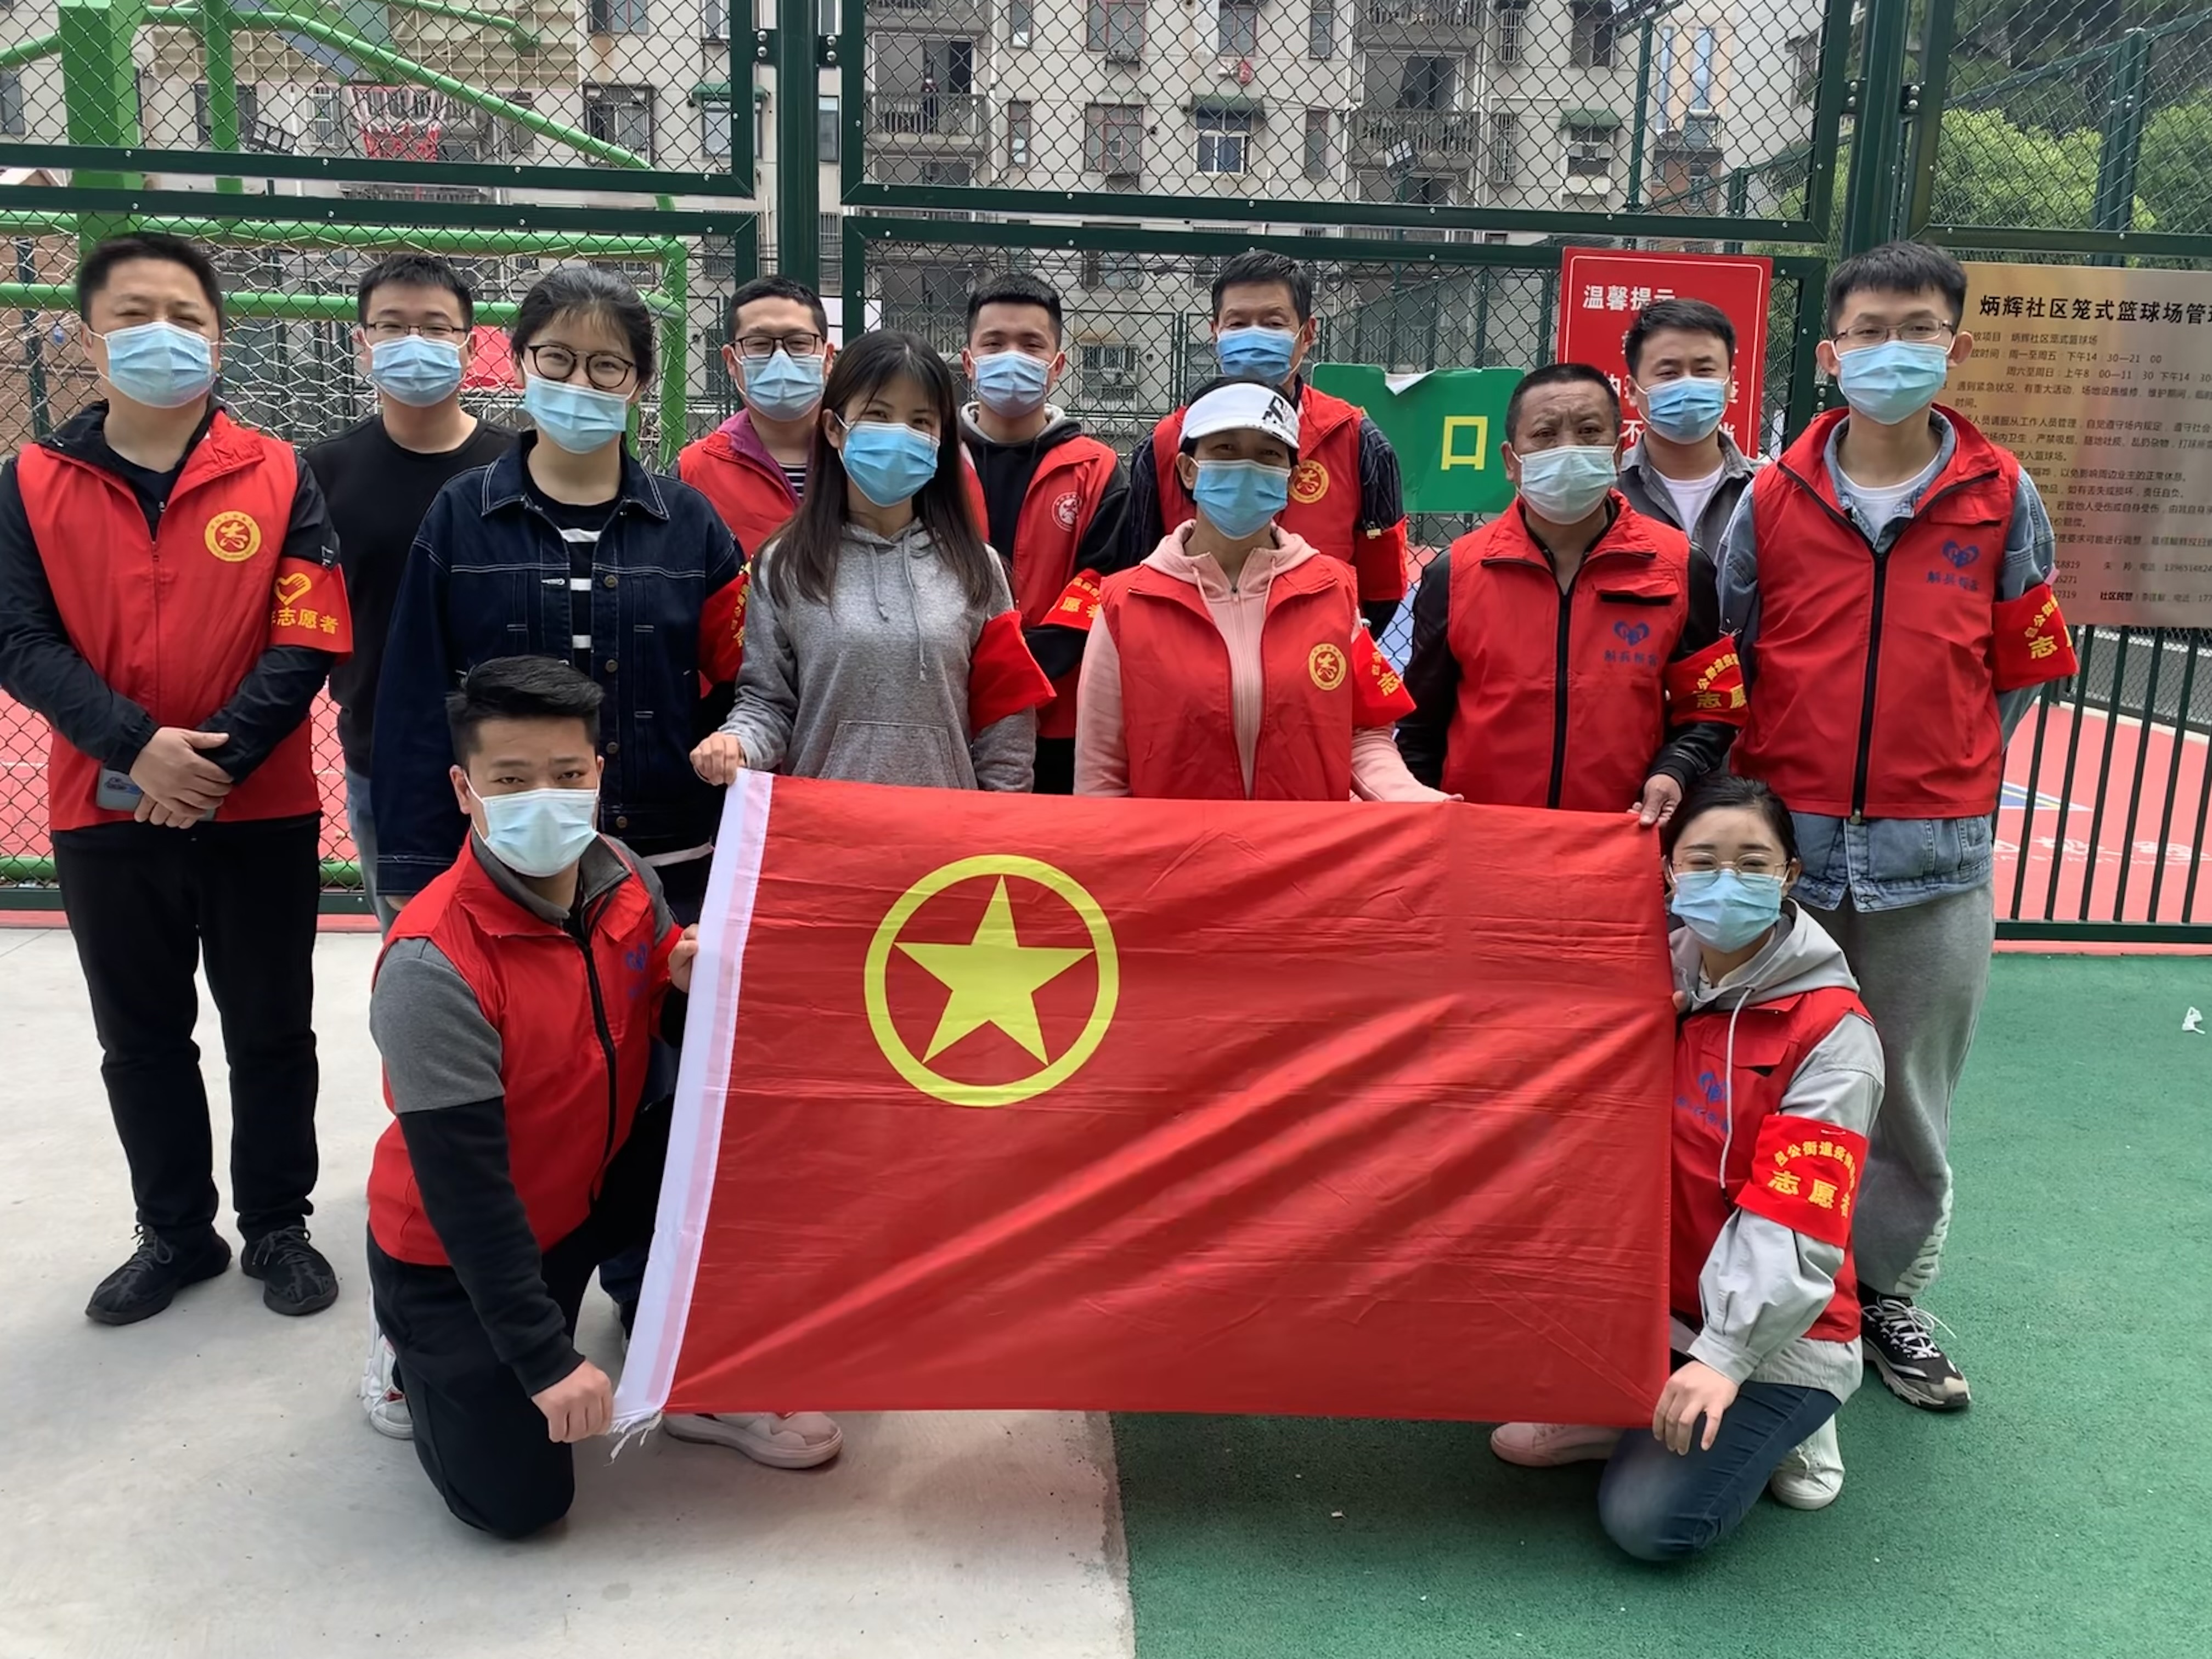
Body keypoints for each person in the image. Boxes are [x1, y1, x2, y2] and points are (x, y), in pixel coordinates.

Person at [1717, 240, 2078, 1410]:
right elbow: (1733, 654)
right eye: (1867, 332)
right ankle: (1745, 1290)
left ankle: (1883, 1296)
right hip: (1790, 850)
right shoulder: (1771, 498)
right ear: (1829, 354)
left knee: (1910, 1093)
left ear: (1954, 346)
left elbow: (2021, 662)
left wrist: (1947, 761)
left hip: (1935, 854)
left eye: (1915, 329)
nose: (1890, 351)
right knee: (1764, 1072)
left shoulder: (2001, 494)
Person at [0, 231, 349, 1325]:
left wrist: (215, 763)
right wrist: (136, 746)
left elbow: (308, 632)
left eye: (187, 316)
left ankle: (278, 1223)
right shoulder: (30, 482)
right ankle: (175, 1231)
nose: (164, 334)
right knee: (142, 1037)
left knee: (272, 1029)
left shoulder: (281, 473)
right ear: (88, 338)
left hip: (262, 806)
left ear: (219, 337)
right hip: (101, 808)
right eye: (134, 314)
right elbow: (19, 638)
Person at [365, 658, 760, 1539]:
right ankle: (406, 1347)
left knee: (753, 1133)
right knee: (520, 1508)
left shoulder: (622, 875)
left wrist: (685, 990)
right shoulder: (432, 965)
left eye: (568, 774)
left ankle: (690, 1351)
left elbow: (659, 1025)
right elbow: (466, 1194)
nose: (545, 799)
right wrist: (546, 1360)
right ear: (465, 790)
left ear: (598, 773)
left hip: (586, 1193)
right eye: (511, 780)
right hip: (460, 1250)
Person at [1491, 774, 1883, 1559]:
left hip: (1776, 1326)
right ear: (1670, 872)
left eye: (1753, 863)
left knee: (1647, 1523)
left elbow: (1796, 1217)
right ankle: (1630, 1413)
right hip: (1646, 1301)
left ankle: (1791, 1415)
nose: (1725, 881)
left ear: (1790, 876)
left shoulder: (1833, 1034)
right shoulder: (1646, 976)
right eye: (1702, 861)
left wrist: (1729, 1356)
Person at [374, 264, 747, 925]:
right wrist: (413, 868)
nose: (579, 383)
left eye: (606, 366)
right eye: (557, 358)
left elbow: (743, 684)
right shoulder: (462, 515)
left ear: (639, 382)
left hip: (670, 859)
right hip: (510, 858)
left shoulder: (691, 524)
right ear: (521, 361)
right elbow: (414, 697)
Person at [692, 329, 1051, 793]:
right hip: (826, 824)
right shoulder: (785, 565)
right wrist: (737, 743)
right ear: (834, 428)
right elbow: (767, 703)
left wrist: (1002, 816)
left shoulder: (978, 569)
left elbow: (1006, 722)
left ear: (941, 439)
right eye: (878, 415)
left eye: (921, 421)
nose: (900, 433)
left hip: (945, 827)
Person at [1395, 363, 1742, 823]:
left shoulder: (1680, 566)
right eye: (1544, 434)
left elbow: (1710, 708)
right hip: (1483, 839)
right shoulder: (1455, 573)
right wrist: (1424, 821)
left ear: (1617, 453)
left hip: (1621, 834)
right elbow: (1420, 729)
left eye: (1589, 431)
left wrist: (1675, 770)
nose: (1568, 448)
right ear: (1510, 461)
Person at [1075, 377, 1440, 803]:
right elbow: (1101, 774)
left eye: (1268, 454)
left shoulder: (1332, 590)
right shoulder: (1124, 604)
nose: (1247, 466)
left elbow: (1365, 733)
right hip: (1177, 846)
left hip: (1303, 843)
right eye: (1226, 449)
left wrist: (1413, 801)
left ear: (1290, 478)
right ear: (1188, 470)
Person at [308, 253, 514, 932]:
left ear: (468, 344)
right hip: (382, 751)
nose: (414, 342)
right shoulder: (324, 472)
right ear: (362, 343)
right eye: (392, 326)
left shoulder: (517, 464)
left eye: (434, 326)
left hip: (512, 752)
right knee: (414, 946)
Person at [1120, 251, 1408, 633]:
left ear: (1307, 334)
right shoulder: (1164, 445)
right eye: (1238, 324)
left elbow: (1382, 589)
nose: (1253, 337)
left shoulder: (1357, 440)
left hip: (1315, 653)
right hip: (1190, 648)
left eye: (1273, 323)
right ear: (1215, 333)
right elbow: (1137, 569)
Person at [959, 273, 1130, 794]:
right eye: (994, 344)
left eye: (1031, 345)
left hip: (1061, 717)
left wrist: (1019, 671)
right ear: (969, 361)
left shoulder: (1098, 468)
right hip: (952, 703)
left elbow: (1102, 582)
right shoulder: (934, 460)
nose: (1012, 356)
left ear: (1057, 364)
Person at [1616, 298, 1758, 625]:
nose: (1687, 385)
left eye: (1705, 371)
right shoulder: (1604, 492)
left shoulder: (1769, 491)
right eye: (1668, 373)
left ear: (1730, 384)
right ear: (1632, 390)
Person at [676, 274, 837, 558]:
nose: (780, 358)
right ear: (731, 361)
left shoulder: (864, 456)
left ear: (827, 357)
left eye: (798, 343)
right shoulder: (694, 471)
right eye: (759, 344)